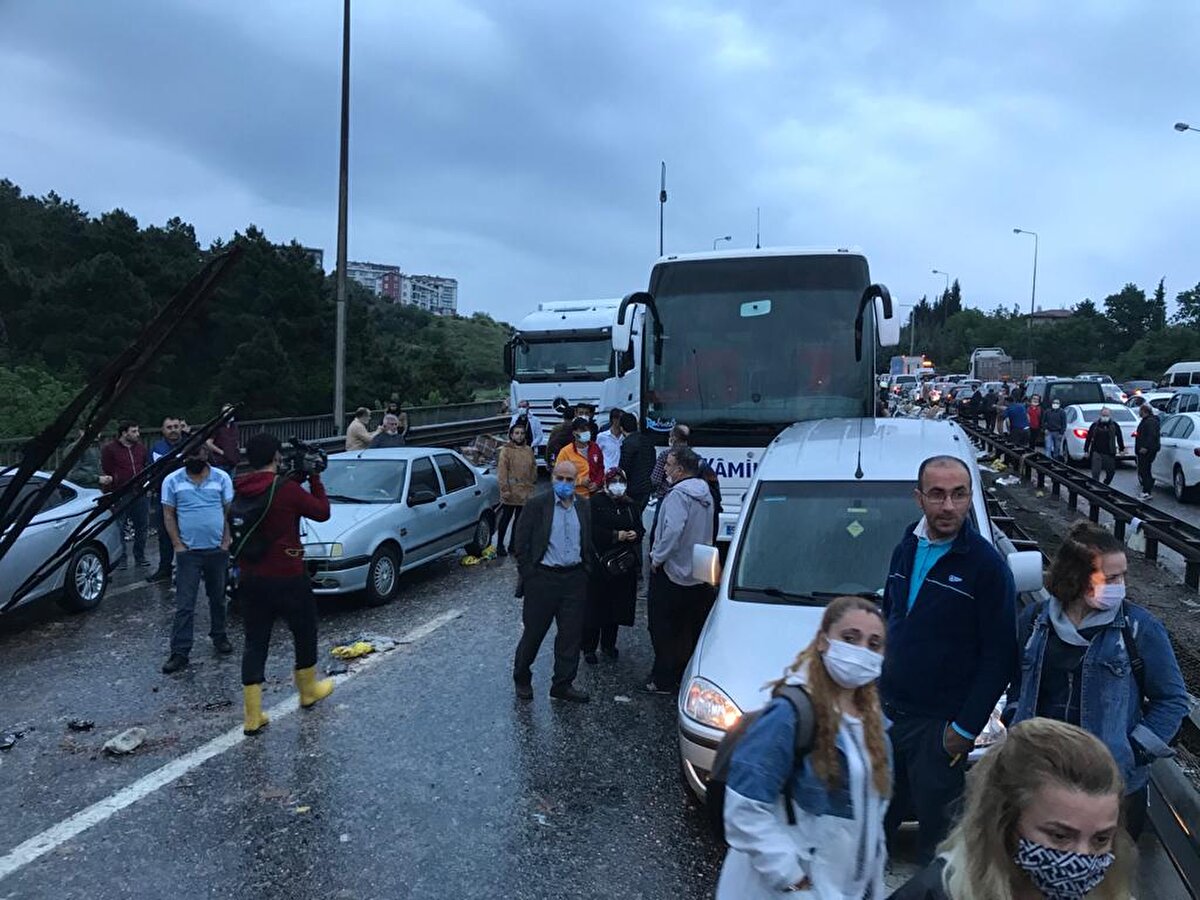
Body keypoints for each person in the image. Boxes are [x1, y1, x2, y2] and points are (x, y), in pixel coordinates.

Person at [1006, 522, 1188, 841]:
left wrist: (1131, 753)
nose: (1121, 586)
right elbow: (1018, 684)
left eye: (1123, 575)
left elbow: (1172, 700)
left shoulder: (1139, 629)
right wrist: (1015, 720)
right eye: (1110, 577)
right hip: (1040, 780)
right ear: (1075, 577)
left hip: (1112, 790)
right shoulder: (1035, 622)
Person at [880, 455, 1016, 864]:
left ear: (970, 496)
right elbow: (891, 618)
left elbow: (1001, 656)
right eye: (937, 495)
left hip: (938, 729)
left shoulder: (986, 567)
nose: (949, 506)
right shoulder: (906, 545)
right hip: (888, 718)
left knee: (936, 849)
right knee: (873, 831)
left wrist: (963, 729)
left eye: (959, 494)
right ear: (918, 498)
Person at [717, 596, 890, 900]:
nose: (861, 651)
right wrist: (795, 883)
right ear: (823, 641)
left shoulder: (873, 726)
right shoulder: (790, 715)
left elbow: (870, 825)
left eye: (874, 644)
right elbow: (743, 809)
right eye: (850, 638)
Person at [891, 718, 1135, 900]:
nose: (1082, 858)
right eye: (1060, 836)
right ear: (1004, 820)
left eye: (1101, 839)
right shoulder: (936, 894)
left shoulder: (1107, 893)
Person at [235, 433, 334, 735]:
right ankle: (308, 691)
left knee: (255, 641)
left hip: (250, 576)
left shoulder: (240, 488)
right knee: (304, 629)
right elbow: (322, 511)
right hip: (287, 574)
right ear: (277, 457)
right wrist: (314, 478)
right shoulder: (286, 490)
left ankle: (252, 716)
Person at [511, 460, 595, 703]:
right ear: (552, 478)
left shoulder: (583, 507)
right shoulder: (538, 505)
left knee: (570, 635)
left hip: (574, 578)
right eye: (560, 478)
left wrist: (585, 570)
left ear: (577, 480)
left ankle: (562, 684)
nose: (565, 484)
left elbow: (587, 539)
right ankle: (522, 676)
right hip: (543, 580)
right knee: (534, 632)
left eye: (570, 479)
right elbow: (522, 541)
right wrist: (529, 574)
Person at [644, 447, 715, 694]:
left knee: (662, 627)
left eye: (669, 464)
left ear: (681, 469)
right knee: (688, 627)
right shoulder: (705, 493)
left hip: (672, 571)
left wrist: (657, 558)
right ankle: (682, 674)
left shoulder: (678, 496)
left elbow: (672, 530)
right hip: (696, 571)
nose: (665, 468)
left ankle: (662, 678)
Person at [160, 445, 234, 674]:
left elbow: (227, 511)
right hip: (188, 553)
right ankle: (180, 652)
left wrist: (225, 542)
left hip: (216, 550)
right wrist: (178, 546)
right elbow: (168, 515)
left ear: (205, 453)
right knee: (185, 603)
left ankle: (219, 636)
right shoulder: (172, 481)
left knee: (218, 597)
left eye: (197, 453)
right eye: (189, 454)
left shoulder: (221, 478)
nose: (193, 458)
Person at [582, 468, 644, 663]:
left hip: (623, 565)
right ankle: (589, 648)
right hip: (600, 564)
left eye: (621, 481)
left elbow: (640, 527)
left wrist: (635, 534)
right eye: (613, 481)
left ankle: (609, 645)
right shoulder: (595, 503)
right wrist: (615, 536)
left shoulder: (630, 505)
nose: (618, 485)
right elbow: (590, 530)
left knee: (616, 608)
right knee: (594, 608)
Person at [101, 421, 151, 568]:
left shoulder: (141, 448)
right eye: (134, 431)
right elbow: (107, 468)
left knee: (142, 525)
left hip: (140, 489)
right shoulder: (110, 449)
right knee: (119, 526)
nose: (137, 434)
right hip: (121, 491)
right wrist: (113, 486)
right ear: (124, 433)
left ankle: (140, 556)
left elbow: (145, 465)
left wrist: (147, 484)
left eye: (137, 431)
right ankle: (121, 557)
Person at [147, 416, 184, 583]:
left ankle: (189, 568)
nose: (174, 430)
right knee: (164, 534)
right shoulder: (158, 447)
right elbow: (163, 468)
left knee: (189, 533)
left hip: (187, 498)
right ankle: (165, 567)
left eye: (176, 426)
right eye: (169, 427)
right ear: (163, 430)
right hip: (165, 497)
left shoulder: (191, 444)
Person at [496, 421, 537, 557]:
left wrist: (531, 484)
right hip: (511, 491)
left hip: (525, 491)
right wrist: (505, 489)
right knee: (506, 518)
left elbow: (533, 468)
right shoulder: (506, 451)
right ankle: (500, 544)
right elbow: (502, 472)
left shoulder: (528, 450)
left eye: (522, 433)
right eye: (516, 433)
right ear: (511, 435)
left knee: (519, 521)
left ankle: (513, 545)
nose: (519, 436)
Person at [556, 416, 604, 497]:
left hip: (594, 495)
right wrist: (580, 482)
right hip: (574, 497)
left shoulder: (595, 447)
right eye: (582, 430)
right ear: (574, 433)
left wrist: (597, 483)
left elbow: (600, 468)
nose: (586, 432)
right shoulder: (565, 452)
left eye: (587, 430)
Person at [618, 412, 656, 515]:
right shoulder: (648, 441)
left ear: (621, 428)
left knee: (631, 519)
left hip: (632, 489)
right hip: (647, 487)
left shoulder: (628, 444)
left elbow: (624, 468)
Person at [1084, 406, 1124, 485]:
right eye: (1103, 415)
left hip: (1109, 452)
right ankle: (1096, 486)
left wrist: (1121, 449)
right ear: (1100, 415)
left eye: (1106, 415)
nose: (1105, 417)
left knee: (1111, 472)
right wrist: (1086, 450)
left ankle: (1106, 483)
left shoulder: (1114, 425)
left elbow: (1119, 437)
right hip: (1096, 451)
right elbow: (1088, 438)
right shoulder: (1095, 425)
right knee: (1095, 471)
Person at [1135, 403, 1161, 499]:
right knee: (1143, 470)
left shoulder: (1150, 422)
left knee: (1145, 470)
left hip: (1147, 450)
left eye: (1140, 411)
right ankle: (1146, 490)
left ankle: (1147, 491)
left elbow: (1151, 436)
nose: (1139, 413)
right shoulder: (1147, 421)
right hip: (1144, 449)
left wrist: (1145, 447)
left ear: (1144, 411)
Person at [205, 405, 241, 475]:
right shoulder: (217, 426)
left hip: (232, 461)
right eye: (227, 412)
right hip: (220, 462)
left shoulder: (235, 426)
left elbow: (236, 441)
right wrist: (221, 452)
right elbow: (208, 443)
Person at [544, 398, 577, 468]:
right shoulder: (577, 428)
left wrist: (548, 461)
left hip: (559, 460)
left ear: (563, 416)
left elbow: (550, 446)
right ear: (574, 415)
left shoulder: (556, 428)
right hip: (574, 460)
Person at [596, 408, 625, 473]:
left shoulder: (625, 437)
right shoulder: (602, 436)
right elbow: (597, 455)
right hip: (606, 474)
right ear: (614, 420)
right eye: (621, 419)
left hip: (621, 475)